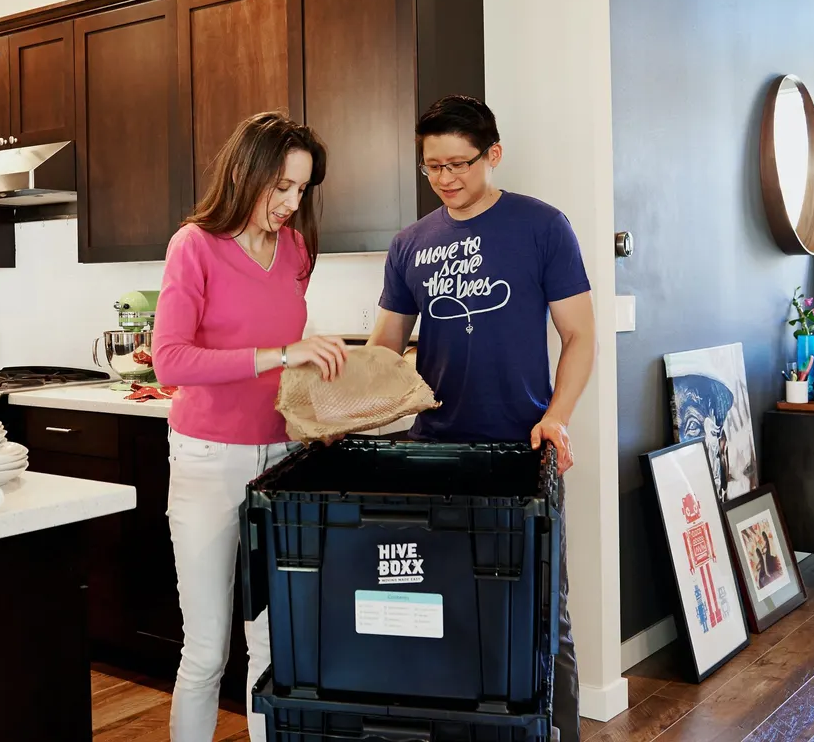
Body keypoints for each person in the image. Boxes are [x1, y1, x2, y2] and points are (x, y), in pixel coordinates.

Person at [366, 95, 596, 741]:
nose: (446, 179)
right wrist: (333, 398)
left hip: (522, 451)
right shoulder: (409, 243)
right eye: (432, 167)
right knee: (438, 609)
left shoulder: (543, 226)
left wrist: (558, 418)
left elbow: (579, 335)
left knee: (544, 616)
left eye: (459, 164)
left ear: (493, 155)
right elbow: (382, 349)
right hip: (433, 451)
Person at [152, 111, 348, 742]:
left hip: (282, 462)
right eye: (281, 187)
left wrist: (324, 404)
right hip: (209, 460)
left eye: (301, 189)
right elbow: (170, 359)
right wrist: (280, 354)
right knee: (207, 649)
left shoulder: (296, 250)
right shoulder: (195, 245)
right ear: (245, 172)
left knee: (274, 645)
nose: (292, 203)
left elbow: (292, 370)